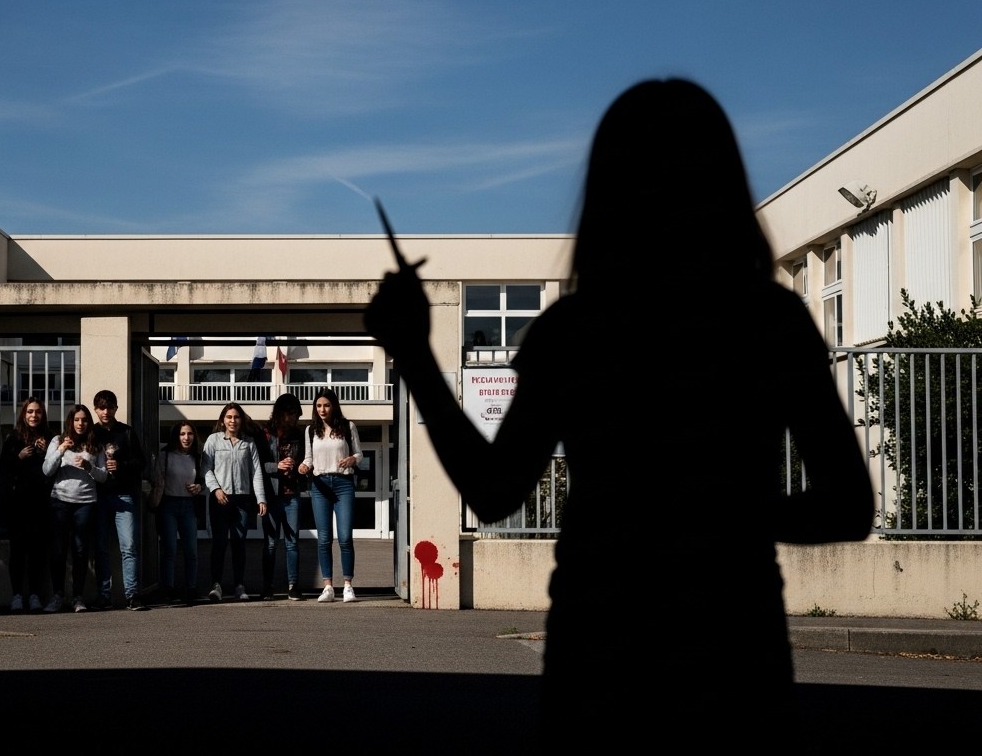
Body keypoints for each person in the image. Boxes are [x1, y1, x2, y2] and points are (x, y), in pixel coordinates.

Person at [364, 78, 875, 751]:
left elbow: (494, 490)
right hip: (733, 637)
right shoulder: (769, 321)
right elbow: (849, 506)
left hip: (600, 640)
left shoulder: (576, 330)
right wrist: (727, 516)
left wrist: (415, 357)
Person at [297, 388, 362, 604]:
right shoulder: (310, 430)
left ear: (333, 406)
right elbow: (308, 458)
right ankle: (328, 587)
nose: (322, 409)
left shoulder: (348, 426)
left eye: (326, 405)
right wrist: (303, 467)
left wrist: (352, 459)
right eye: (318, 406)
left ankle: (348, 586)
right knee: (324, 539)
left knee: (345, 537)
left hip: (343, 484)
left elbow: (359, 454)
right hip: (320, 485)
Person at [42, 404, 109, 614]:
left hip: (85, 502)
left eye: (84, 420)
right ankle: (57, 595)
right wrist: (61, 449)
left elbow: (104, 476)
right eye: (77, 420)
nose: (81, 424)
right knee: (58, 550)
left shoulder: (95, 445)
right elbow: (46, 470)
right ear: (70, 421)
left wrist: (89, 467)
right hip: (60, 501)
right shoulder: (58, 440)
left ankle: (78, 597)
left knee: (80, 550)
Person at [202, 402, 268, 602]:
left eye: (236, 417)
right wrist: (216, 489)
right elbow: (206, 467)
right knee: (219, 542)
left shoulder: (248, 443)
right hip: (220, 499)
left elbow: (256, 472)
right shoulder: (213, 440)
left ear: (241, 420)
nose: (233, 421)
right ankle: (216, 585)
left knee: (239, 543)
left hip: (242, 499)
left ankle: (239, 585)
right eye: (229, 417)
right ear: (223, 420)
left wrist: (261, 498)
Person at [91, 389, 149, 611]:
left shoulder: (126, 432)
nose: (105, 412)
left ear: (116, 408)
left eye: (109, 407)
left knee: (129, 547)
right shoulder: (92, 433)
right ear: (96, 410)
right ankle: (104, 596)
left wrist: (121, 466)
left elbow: (141, 462)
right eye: (101, 408)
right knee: (101, 548)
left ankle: (132, 596)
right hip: (99, 496)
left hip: (124, 495)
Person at [0, 397, 55, 613]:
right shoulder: (14, 438)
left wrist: (47, 451)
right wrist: (18, 456)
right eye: (30, 411)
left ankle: (35, 595)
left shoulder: (49, 437)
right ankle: (17, 595)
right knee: (18, 552)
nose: (34, 416)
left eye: (38, 412)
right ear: (24, 414)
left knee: (38, 552)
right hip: (18, 504)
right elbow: (2, 467)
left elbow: (56, 467)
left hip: (40, 503)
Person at [153, 420, 206, 606]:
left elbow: (204, 480)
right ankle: (168, 589)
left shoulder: (197, 457)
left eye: (190, 434)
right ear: (176, 436)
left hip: (189, 505)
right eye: (182, 434)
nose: (186, 437)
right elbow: (157, 480)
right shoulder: (165, 455)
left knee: (191, 550)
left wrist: (199, 487)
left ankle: (190, 588)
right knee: (170, 549)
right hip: (169, 504)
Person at [260, 393, 307, 600]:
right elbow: (257, 465)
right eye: (290, 413)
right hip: (271, 495)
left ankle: (293, 585)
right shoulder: (265, 434)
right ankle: (267, 587)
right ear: (280, 413)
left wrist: (299, 467)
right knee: (270, 543)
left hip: (291, 494)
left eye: (296, 414)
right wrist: (276, 466)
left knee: (292, 542)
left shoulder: (299, 435)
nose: (293, 418)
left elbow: (306, 461)